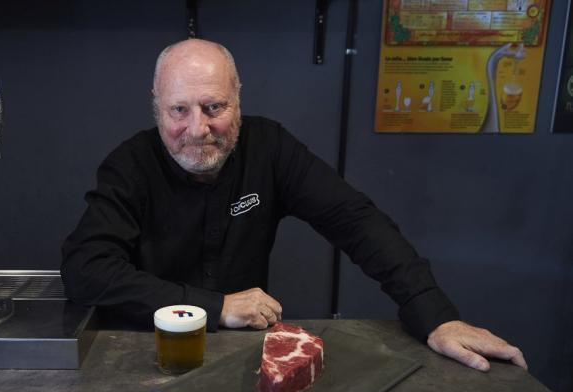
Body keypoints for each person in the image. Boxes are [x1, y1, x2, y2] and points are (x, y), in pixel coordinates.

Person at [61, 38, 527, 372]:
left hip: (243, 361)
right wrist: (216, 306)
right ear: (156, 106)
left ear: (238, 102)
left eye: (214, 107)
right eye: (178, 110)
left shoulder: (270, 148)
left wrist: (436, 315)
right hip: (142, 355)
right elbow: (86, 269)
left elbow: (355, 220)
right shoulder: (129, 164)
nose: (198, 128)